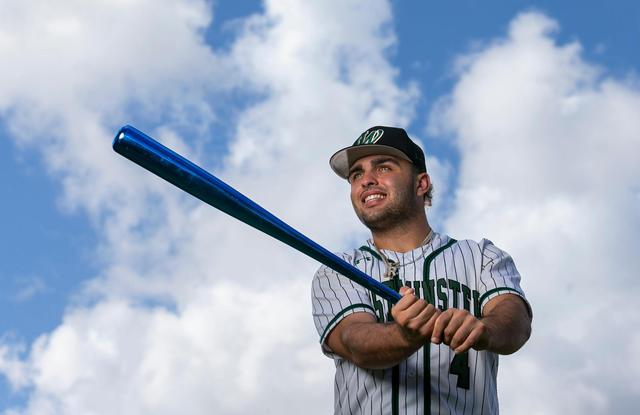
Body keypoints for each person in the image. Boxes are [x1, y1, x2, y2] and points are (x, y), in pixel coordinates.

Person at [311, 126, 532, 415]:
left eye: (383, 167)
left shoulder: (481, 257)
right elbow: (355, 342)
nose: (366, 180)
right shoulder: (338, 270)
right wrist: (405, 335)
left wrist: (485, 330)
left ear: (421, 183)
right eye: (356, 174)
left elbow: (515, 322)